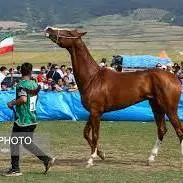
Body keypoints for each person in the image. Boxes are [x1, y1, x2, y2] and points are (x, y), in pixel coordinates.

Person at [4, 63, 55, 176]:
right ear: (31, 72)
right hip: (32, 118)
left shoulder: (21, 84)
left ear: (21, 72)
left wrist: (12, 103)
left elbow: (23, 99)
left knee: (14, 143)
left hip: (23, 120)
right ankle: (47, 160)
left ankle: (15, 169)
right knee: (27, 143)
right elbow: (30, 98)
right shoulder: (35, 84)